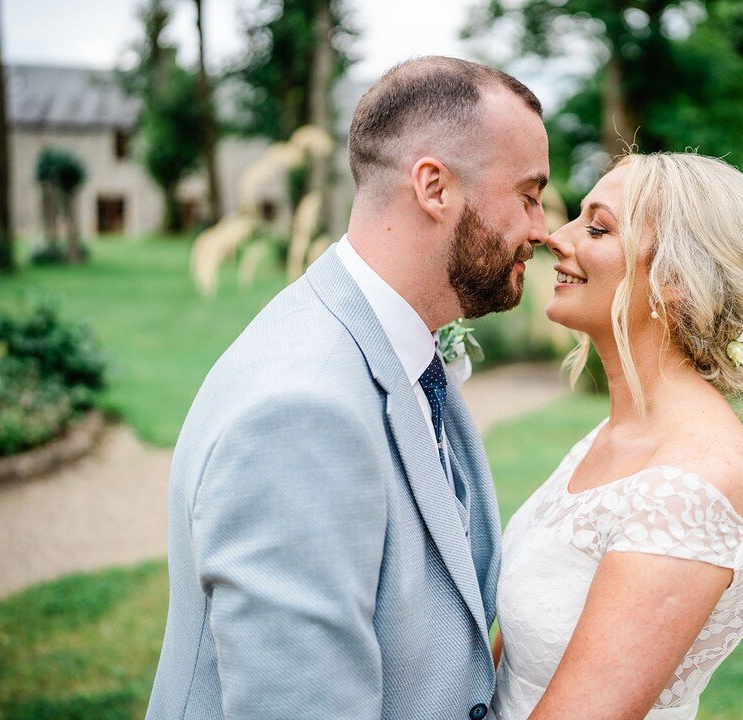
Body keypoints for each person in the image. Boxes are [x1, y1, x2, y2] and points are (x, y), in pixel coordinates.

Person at [145, 56, 549, 720]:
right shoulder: (302, 410)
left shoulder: (395, 350)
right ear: (434, 187)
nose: (540, 228)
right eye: (528, 195)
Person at [491, 152, 743, 719]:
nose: (555, 237)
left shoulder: (690, 488)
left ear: (675, 278)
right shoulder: (612, 434)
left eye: (598, 228)